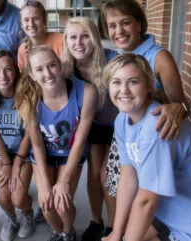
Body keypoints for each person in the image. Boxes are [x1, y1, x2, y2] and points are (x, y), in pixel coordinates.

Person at [101, 53, 191, 241]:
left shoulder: (156, 126)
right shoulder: (122, 120)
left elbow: (146, 202)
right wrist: (116, 233)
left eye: (133, 82)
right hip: (173, 220)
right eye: (116, 82)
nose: (124, 90)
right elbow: (128, 176)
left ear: (149, 86)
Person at [101, 0, 190, 199]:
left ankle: (125, 230)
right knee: (112, 183)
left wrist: (177, 107)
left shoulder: (159, 57)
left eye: (125, 23)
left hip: (154, 139)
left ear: (138, 24)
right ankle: (115, 228)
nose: (119, 31)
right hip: (127, 132)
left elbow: (184, 106)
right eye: (112, 25)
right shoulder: (117, 57)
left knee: (140, 196)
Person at [15, 46, 97, 241]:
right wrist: (43, 185)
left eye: (52, 65)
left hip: (71, 152)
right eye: (40, 69)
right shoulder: (29, 100)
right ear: (32, 75)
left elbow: (79, 141)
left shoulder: (86, 92)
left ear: (60, 66)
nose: (48, 73)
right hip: (45, 153)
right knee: (46, 203)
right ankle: (57, 231)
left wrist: (63, 181)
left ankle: (68, 232)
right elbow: (37, 145)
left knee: (63, 203)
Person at [62, 17, 118, 240]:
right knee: (94, 175)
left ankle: (113, 227)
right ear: (66, 41)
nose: (79, 42)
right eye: (73, 37)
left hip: (117, 126)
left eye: (85, 36)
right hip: (91, 127)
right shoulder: (66, 69)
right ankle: (97, 221)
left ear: (94, 38)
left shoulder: (112, 61)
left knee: (107, 176)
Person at [0, 50, 36, 241]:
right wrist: (7, 163)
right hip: (1, 152)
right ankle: (11, 218)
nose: (2, 76)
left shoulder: (26, 92)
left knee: (18, 198)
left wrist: (17, 161)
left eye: (8, 69)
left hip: (24, 151)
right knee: (4, 198)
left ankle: (26, 214)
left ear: (16, 71)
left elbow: (29, 132)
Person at [17, 0, 64, 71]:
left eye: (36, 19)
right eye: (26, 20)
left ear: (44, 20)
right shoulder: (22, 49)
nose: (31, 24)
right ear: (21, 24)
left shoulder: (61, 40)